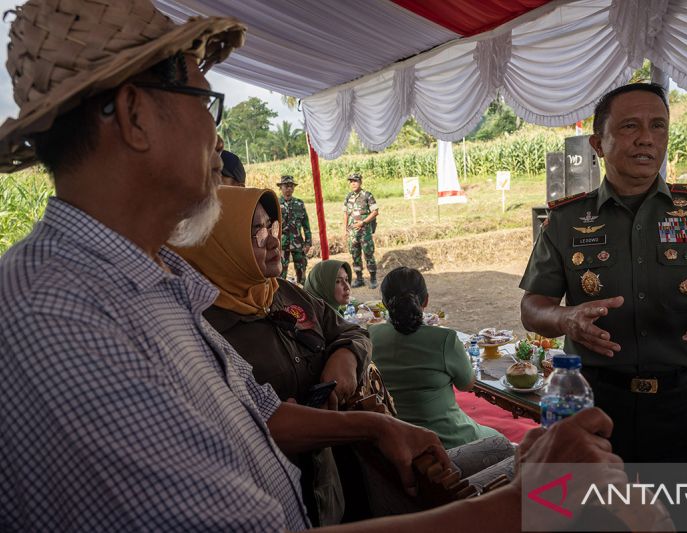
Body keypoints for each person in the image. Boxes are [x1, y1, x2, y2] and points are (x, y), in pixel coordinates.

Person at [0, 1, 626, 531]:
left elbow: (259, 416)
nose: (217, 139)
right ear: (136, 116)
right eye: (203, 100)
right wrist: (526, 502)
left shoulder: (154, 284)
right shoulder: (58, 315)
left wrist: (373, 430)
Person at [519, 82, 687, 530]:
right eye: (630, 126)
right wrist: (565, 318)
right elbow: (533, 307)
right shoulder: (565, 219)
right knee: (594, 522)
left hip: (685, 409)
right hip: (597, 405)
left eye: (658, 126)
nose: (647, 138)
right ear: (599, 143)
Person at [174, 185, 369, 525]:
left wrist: (346, 359)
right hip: (270, 503)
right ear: (220, 247)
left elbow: (349, 332)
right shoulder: (202, 329)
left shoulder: (285, 294)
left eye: (272, 226)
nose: (274, 240)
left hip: (329, 484)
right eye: (256, 232)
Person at [370, 267, 505, 449]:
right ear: (425, 300)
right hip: (448, 441)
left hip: (397, 441)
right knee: (503, 443)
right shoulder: (445, 340)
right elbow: (467, 384)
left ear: (384, 303)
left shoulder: (369, 336)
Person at [343, 173, 379, 289]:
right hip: (353, 233)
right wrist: (345, 229)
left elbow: (375, 212)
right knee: (355, 256)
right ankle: (359, 279)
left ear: (360, 182)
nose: (353, 183)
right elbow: (346, 213)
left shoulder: (367, 195)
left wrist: (363, 222)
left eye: (355, 181)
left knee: (368, 254)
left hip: (365, 232)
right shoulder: (348, 197)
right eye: (351, 181)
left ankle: (373, 278)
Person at [277, 174, 313, 283]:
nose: (289, 188)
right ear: (281, 187)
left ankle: (302, 294)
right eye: (286, 186)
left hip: (298, 243)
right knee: (280, 273)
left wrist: (308, 243)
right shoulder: (276, 203)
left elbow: (306, 225)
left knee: (301, 272)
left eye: (291, 186)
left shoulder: (299, 204)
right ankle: (281, 296)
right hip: (282, 244)